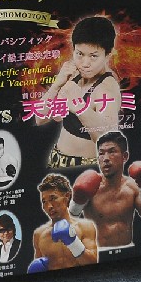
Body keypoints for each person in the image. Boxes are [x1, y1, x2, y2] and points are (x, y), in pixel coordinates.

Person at [36, 17, 122, 170]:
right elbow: (40, 119)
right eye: (80, 54)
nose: (85, 63)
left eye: (93, 56)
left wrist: (79, 106)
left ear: (107, 56)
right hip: (56, 158)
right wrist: (56, 85)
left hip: (85, 168)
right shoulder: (74, 75)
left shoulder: (106, 87)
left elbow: (108, 141)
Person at [69, 131, 141, 249]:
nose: (105, 158)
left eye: (112, 152)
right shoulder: (90, 186)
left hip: (127, 250)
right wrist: (76, 203)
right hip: (98, 253)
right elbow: (67, 227)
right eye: (101, 153)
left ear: (125, 156)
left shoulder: (133, 187)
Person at [27, 173, 99, 272]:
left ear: (67, 196)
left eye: (53, 198)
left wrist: (73, 242)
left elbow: (93, 263)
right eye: (44, 202)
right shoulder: (38, 234)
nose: (49, 206)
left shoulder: (85, 227)